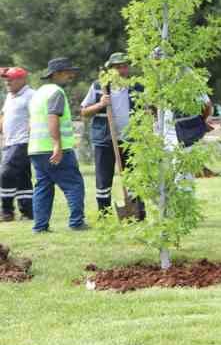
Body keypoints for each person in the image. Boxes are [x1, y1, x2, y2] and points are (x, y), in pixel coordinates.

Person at [80, 53, 145, 221]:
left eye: (124, 66)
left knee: (133, 178)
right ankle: (104, 215)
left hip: (131, 140)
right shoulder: (98, 87)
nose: (122, 70)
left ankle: (137, 212)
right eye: (117, 67)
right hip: (104, 140)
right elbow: (84, 112)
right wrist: (101, 104)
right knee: (104, 180)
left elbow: (149, 108)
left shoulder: (137, 86)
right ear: (110, 69)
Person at [28, 58, 88, 233]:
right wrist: (57, 146)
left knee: (43, 187)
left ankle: (40, 227)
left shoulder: (37, 94)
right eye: (67, 71)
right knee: (74, 185)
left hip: (36, 148)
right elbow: (52, 118)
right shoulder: (57, 92)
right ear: (56, 74)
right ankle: (77, 223)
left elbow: (31, 122)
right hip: (52, 149)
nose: (71, 75)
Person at [1, 67, 34, 223]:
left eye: (11, 79)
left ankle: (7, 212)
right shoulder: (10, 96)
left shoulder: (31, 95)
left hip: (22, 141)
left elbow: (36, 116)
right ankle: (28, 212)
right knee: (23, 178)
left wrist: (30, 133)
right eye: (6, 78)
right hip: (9, 141)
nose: (7, 81)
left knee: (5, 173)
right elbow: (5, 116)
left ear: (22, 80)